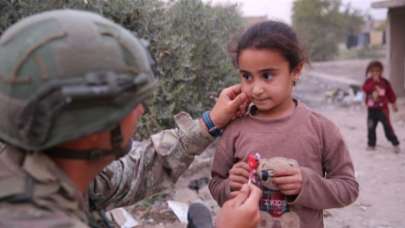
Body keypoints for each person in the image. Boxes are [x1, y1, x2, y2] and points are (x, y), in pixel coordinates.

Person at [0, 9, 252, 228]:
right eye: (132, 102)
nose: (141, 110)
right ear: (94, 126)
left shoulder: (39, 169)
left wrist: (209, 123)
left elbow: (134, 172)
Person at [208, 20, 359, 228]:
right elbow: (216, 185)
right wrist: (230, 186)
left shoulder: (321, 128)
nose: (256, 89)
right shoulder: (235, 129)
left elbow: (348, 188)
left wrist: (305, 184)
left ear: (296, 71)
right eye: (247, 76)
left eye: (267, 76)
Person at [362, 60, 400, 153]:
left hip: (383, 110)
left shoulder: (385, 82)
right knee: (371, 128)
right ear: (370, 72)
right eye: (373, 71)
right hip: (371, 110)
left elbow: (391, 94)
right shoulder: (368, 82)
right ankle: (371, 144)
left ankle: (395, 143)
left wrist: (394, 104)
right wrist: (373, 82)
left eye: (378, 71)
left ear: (381, 71)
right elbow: (365, 89)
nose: (375, 73)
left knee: (387, 127)